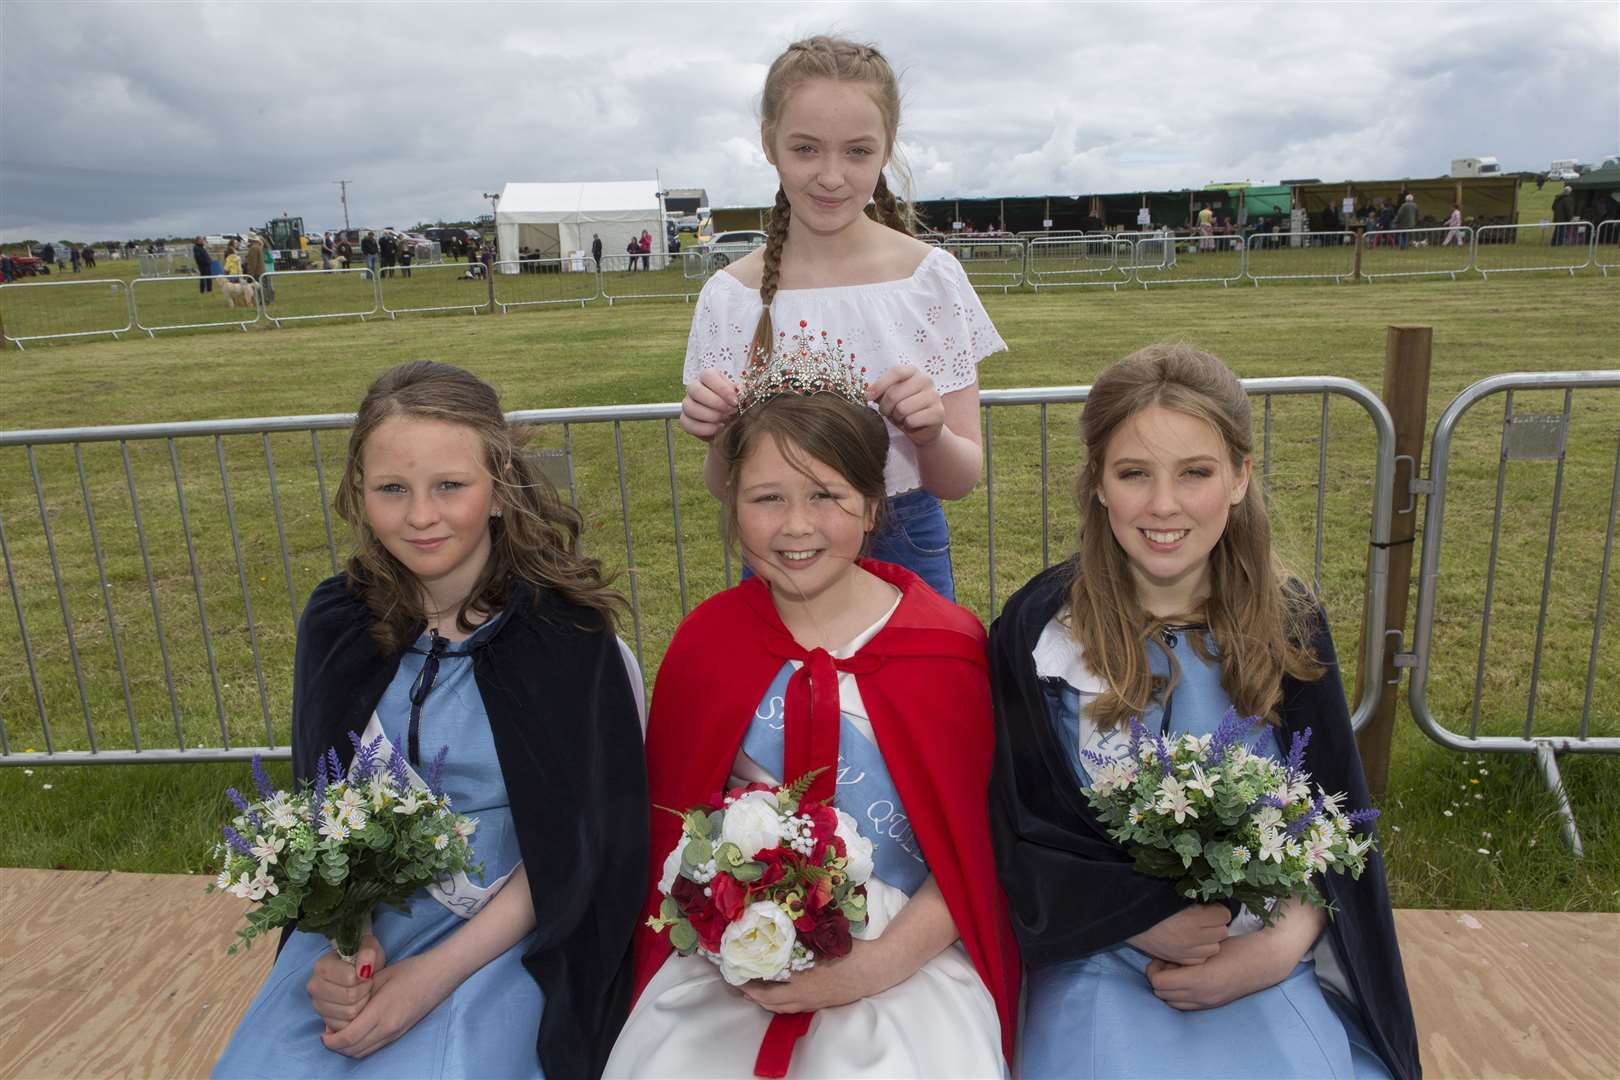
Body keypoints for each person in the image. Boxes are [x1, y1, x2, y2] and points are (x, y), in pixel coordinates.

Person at [987, 344, 1420, 1080]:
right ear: (1096, 483)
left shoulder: (1287, 624)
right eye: (1133, 474)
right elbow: (1021, 828)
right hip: (1097, 956)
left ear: (1241, 477)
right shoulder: (1040, 631)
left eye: (1196, 472)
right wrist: (1141, 921)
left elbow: (1332, 823)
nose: (1164, 505)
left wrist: (1278, 948)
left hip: (1263, 956)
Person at [212, 361, 649, 1079]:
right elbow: (324, 813)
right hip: (369, 922)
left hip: (513, 924)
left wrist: (431, 978)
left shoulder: (564, 638)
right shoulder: (337, 622)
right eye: (392, 489)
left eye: (450, 486)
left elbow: (580, 843)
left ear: (501, 487)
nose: (421, 516)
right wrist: (345, 945)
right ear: (358, 494)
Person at [606, 343, 1019, 1078]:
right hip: (729, 959)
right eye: (767, 498)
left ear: (871, 504)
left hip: (905, 958)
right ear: (732, 504)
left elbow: (975, 852)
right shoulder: (709, 644)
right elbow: (669, 827)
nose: (796, 526)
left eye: (825, 495)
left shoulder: (948, 650)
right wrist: (728, 927)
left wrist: (868, 970)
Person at [677, 35, 1006, 602]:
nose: (831, 176)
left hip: (907, 541)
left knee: (914, 693)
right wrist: (719, 437)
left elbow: (960, 479)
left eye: (857, 151)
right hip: (783, 544)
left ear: (886, 148)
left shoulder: (931, 278)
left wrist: (930, 436)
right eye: (806, 149)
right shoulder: (729, 297)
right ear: (769, 144)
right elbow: (725, 484)